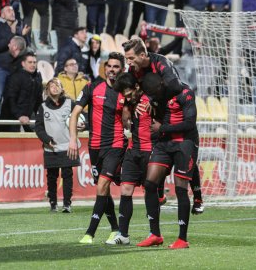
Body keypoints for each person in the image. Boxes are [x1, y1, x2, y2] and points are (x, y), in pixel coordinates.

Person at [67, 52, 127, 244]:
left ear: (122, 70)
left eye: (116, 67)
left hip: (115, 145)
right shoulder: (92, 87)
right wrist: (73, 139)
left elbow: (127, 121)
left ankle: (89, 233)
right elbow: (75, 114)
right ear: (105, 68)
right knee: (103, 189)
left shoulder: (126, 92)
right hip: (94, 146)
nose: (111, 70)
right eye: (109, 66)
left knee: (102, 185)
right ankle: (115, 229)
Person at [136, 72, 198, 249]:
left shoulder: (185, 93)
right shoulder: (156, 95)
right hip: (164, 143)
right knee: (149, 184)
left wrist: (162, 127)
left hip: (183, 143)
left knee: (180, 189)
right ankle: (155, 234)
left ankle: (182, 239)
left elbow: (190, 123)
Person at [106, 72, 158, 245]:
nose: (126, 96)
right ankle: (123, 235)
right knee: (125, 190)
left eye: (127, 93)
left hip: (148, 150)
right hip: (132, 150)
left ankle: (154, 233)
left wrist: (154, 104)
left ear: (136, 87)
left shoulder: (150, 100)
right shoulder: (130, 103)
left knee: (149, 190)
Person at [35, 78, 80, 212]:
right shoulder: (43, 107)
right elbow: (38, 127)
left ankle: (67, 204)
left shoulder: (70, 103)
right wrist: (46, 139)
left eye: (57, 85)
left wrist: (82, 125)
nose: (54, 87)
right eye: (51, 85)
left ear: (62, 88)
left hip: (68, 146)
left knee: (67, 174)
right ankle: (53, 203)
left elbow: (82, 117)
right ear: (47, 90)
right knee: (52, 176)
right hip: (51, 147)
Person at [0, 5, 30, 120]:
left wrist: (22, 36)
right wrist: (13, 33)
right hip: (2, 68)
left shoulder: (19, 26)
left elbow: (25, 46)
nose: (12, 12)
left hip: (16, 69)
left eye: (13, 10)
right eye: (8, 11)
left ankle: (10, 125)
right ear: (2, 14)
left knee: (12, 98)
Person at [122, 37, 183, 102]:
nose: (128, 62)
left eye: (131, 58)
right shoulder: (133, 68)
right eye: (126, 59)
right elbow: (131, 90)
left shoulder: (161, 62)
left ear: (142, 55)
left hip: (170, 101)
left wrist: (152, 100)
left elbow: (176, 87)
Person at [0, 52, 43, 132]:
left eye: (34, 62)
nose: (33, 65)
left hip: (27, 117)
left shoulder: (37, 78)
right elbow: (10, 99)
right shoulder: (15, 77)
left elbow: (38, 100)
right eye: (30, 62)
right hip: (12, 118)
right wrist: (20, 116)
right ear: (23, 64)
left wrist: (42, 114)